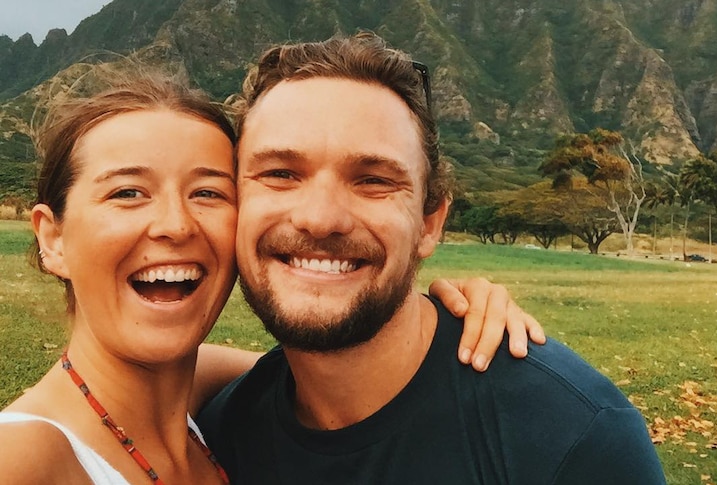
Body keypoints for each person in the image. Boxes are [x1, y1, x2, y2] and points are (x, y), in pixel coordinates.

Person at [0, 63, 545, 484]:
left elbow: (335, 373)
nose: (174, 224)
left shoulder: (206, 397)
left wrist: (448, 315)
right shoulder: (25, 458)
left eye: (208, 192)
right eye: (127, 193)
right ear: (53, 237)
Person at [198, 31, 666, 484]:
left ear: (429, 224)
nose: (320, 219)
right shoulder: (221, 435)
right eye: (280, 173)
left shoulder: (571, 439)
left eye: (374, 180)